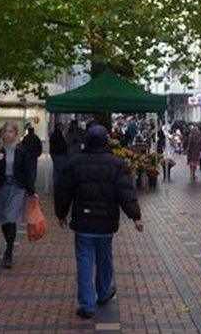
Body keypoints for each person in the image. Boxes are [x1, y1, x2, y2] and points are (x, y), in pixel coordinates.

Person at [55, 125, 144, 320]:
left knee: (84, 261)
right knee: (105, 258)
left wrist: (61, 214)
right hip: (105, 222)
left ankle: (86, 304)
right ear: (106, 141)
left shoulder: (75, 163)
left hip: (83, 222)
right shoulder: (117, 164)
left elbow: (63, 191)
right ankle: (104, 292)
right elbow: (126, 194)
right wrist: (135, 217)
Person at [0, 123, 38, 269]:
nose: (8, 134)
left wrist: (31, 191)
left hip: (16, 188)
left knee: (10, 217)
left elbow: (27, 171)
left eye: (11, 131)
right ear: (2, 133)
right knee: (4, 218)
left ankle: (9, 251)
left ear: (16, 133)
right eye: (6, 131)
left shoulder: (21, 150)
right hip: (0, 187)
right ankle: (9, 244)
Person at [50, 122, 69, 188]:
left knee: (56, 169)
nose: (63, 127)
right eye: (62, 126)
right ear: (59, 126)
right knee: (60, 169)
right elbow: (61, 145)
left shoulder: (54, 134)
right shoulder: (58, 135)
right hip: (59, 154)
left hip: (55, 154)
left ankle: (56, 183)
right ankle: (59, 184)